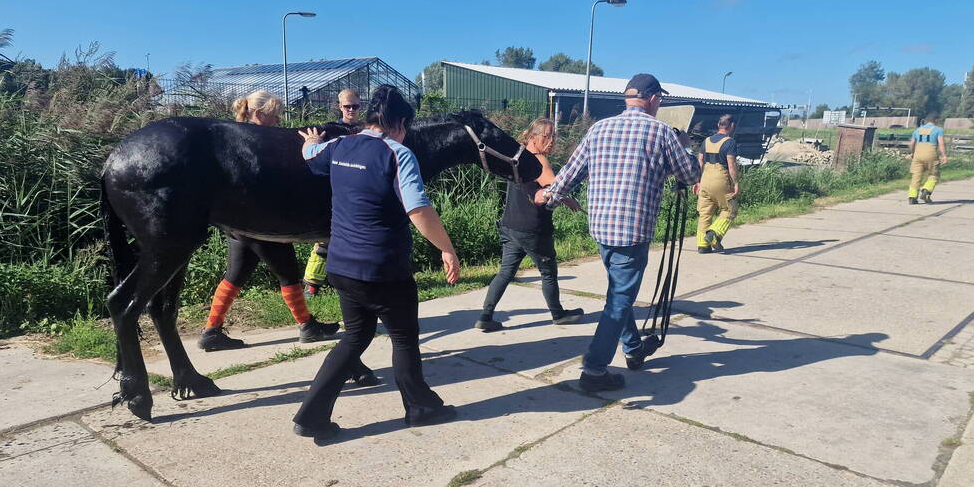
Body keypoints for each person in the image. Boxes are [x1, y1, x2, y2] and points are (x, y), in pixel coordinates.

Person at [292, 85, 460, 440]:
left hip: (341, 265)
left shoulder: (339, 146)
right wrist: (447, 248)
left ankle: (311, 415)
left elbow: (310, 156)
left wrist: (309, 140)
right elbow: (418, 209)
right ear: (399, 122)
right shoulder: (397, 153)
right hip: (383, 267)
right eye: (406, 127)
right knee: (403, 337)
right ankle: (420, 407)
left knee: (355, 336)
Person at [535, 74, 700, 392]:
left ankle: (634, 349)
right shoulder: (662, 132)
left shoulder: (599, 129)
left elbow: (570, 172)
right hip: (632, 231)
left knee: (618, 295)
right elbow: (690, 173)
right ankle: (594, 370)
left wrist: (550, 198)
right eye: (659, 100)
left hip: (601, 228)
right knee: (619, 300)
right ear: (653, 99)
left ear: (628, 98)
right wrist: (686, 148)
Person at [198, 91, 337, 351]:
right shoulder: (258, 141)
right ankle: (307, 325)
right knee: (287, 272)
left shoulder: (237, 136)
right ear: (259, 115)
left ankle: (212, 330)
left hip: (236, 221)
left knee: (235, 274)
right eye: (275, 117)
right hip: (262, 222)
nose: (278, 122)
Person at [475, 118, 584, 331]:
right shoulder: (539, 160)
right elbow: (544, 193)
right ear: (533, 136)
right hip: (533, 229)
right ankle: (558, 314)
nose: (552, 141)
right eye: (547, 136)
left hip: (510, 225)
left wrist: (561, 197)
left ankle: (485, 317)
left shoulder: (516, 156)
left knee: (505, 272)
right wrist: (566, 198)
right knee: (548, 271)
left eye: (554, 136)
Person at [304, 89, 363, 296]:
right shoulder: (330, 131)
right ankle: (312, 284)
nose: (351, 110)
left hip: (357, 190)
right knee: (324, 239)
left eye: (355, 106)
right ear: (340, 107)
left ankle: (346, 281)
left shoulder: (365, 129)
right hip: (332, 189)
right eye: (347, 106)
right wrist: (313, 142)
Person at [695, 114, 739, 254]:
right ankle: (715, 233)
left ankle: (703, 245)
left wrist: (697, 181)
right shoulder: (730, 142)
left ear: (718, 125)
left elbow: (700, 162)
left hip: (705, 179)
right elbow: (731, 165)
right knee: (730, 209)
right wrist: (736, 183)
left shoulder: (706, 141)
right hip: (720, 179)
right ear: (731, 125)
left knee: (705, 213)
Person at [907, 117, 947, 205]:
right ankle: (926, 190)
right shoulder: (938, 130)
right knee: (934, 174)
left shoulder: (917, 130)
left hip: (918, 155)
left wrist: (912, 153)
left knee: (916, 176)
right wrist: (944, 155)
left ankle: (912, 197)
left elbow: (912, 143)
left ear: (925, 121)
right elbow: (941, 143)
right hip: (931, 154)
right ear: (936, 121)